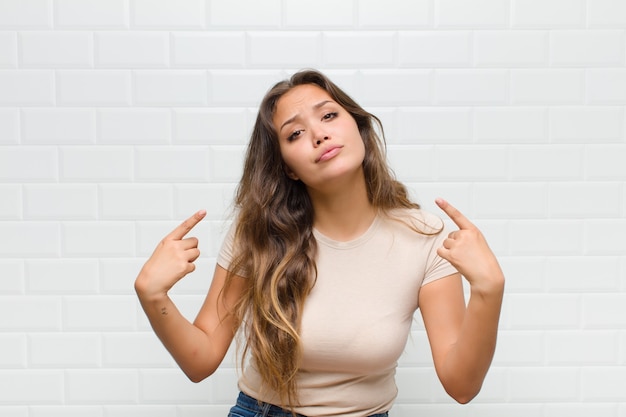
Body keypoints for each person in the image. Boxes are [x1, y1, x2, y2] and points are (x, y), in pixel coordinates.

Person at [134, 69, 505, 417]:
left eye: (328, 116)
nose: (318, 135)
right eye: (294, 134)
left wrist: (488, 289)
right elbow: (201, 361)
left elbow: (462, 386)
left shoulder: (426, 238)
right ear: (288, 168)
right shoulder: (258, 235)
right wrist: (154, 297)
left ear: (359, 128)